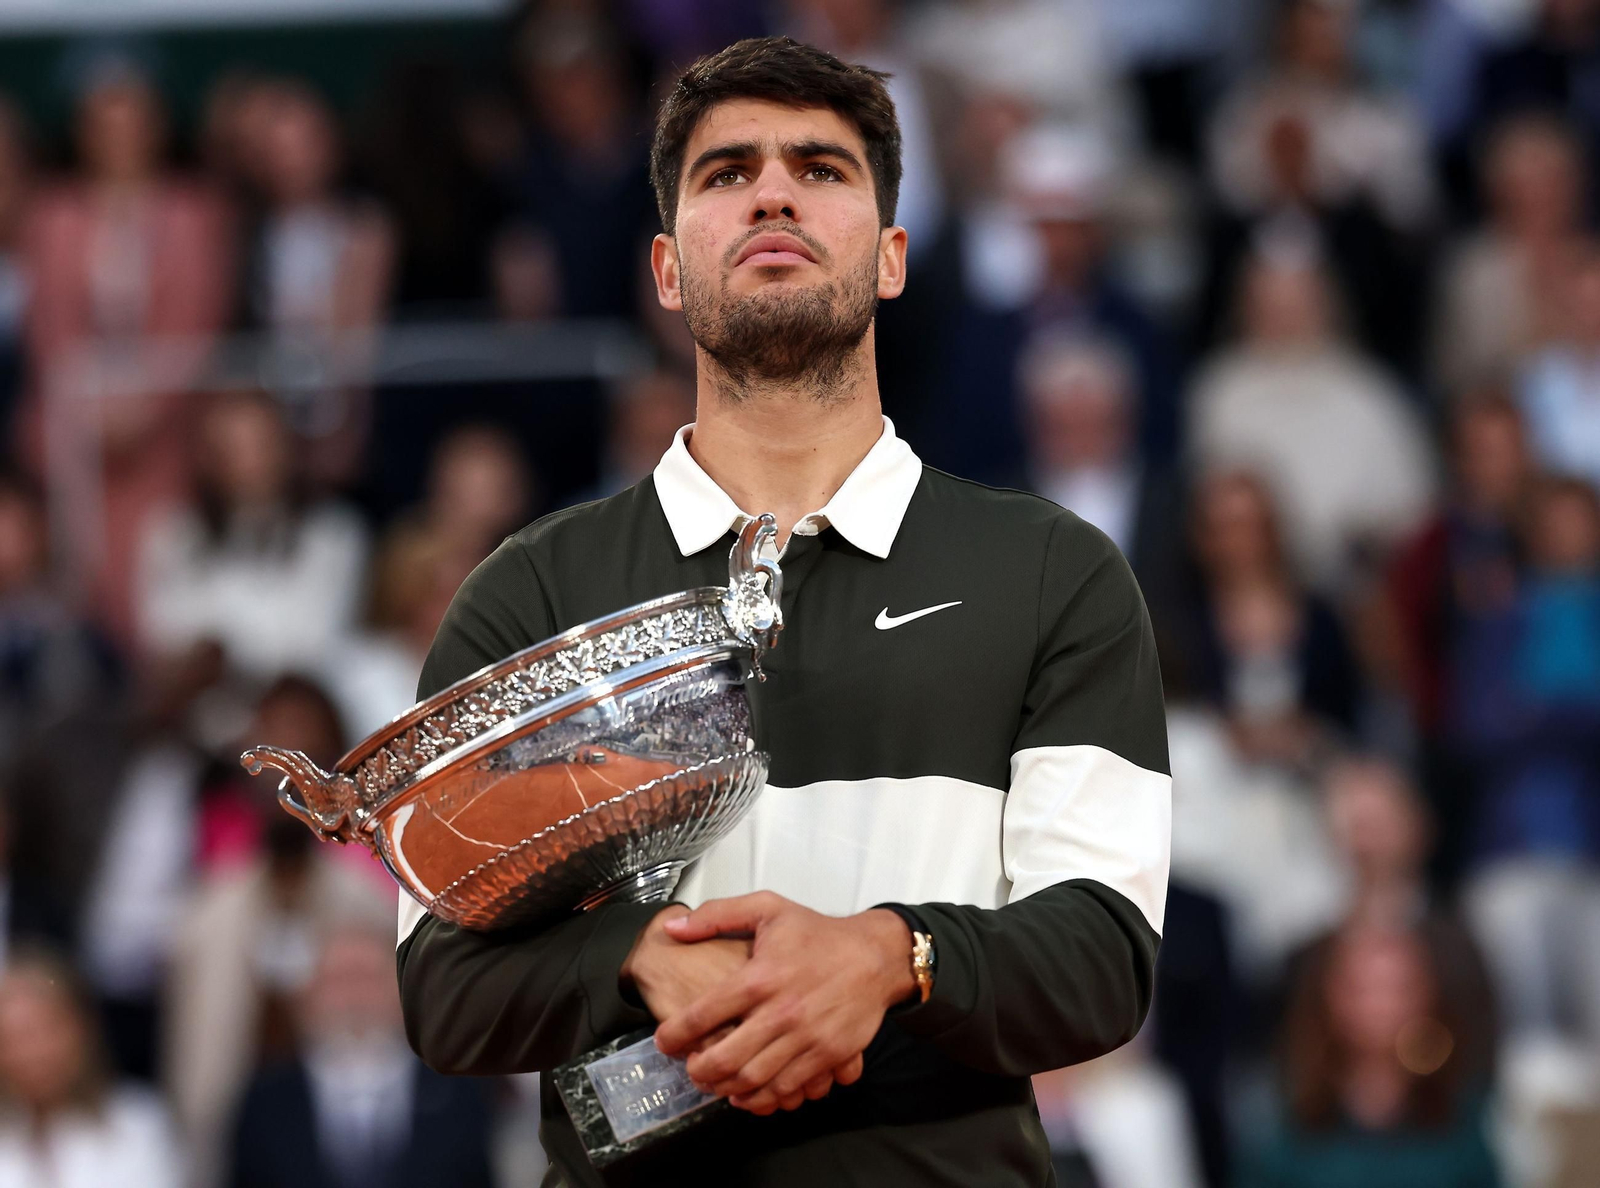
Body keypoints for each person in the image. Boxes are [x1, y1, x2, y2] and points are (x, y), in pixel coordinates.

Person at [398, 36, 1171, 1187]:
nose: (772, 193)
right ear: (667, 271)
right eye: (727, 172)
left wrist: (894, 956)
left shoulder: (1052, 572)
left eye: (819, 168)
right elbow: (443, 986)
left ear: (891, 257)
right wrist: (636, 958)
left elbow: (1104, 958)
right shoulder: (533, 590)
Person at [227, 920, 495, 1188]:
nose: (355, 997)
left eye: (371, 978)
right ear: (307, 997)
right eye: (339, 980)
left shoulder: (460, 1093)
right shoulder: (265, 1102)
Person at [0, 950, 183, 1188]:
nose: (30, 1052)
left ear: (82, 1028)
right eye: (11, 1038)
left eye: (43, 1032)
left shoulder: (139, 1124)